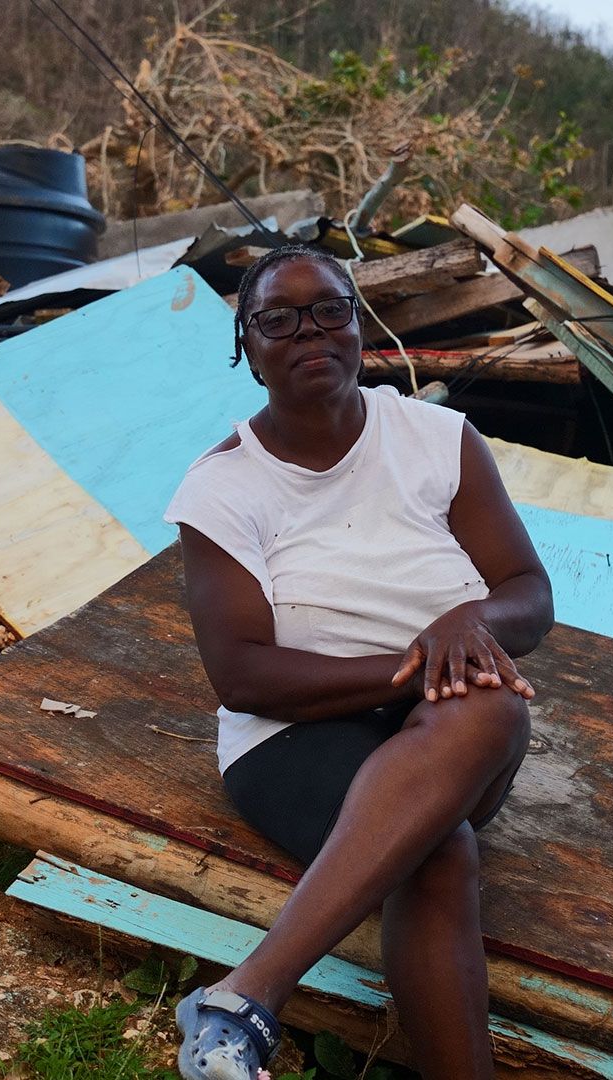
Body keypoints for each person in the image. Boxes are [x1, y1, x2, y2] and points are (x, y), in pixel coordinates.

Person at [164, 244, 555, 1080]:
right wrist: (420, 660)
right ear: (248, 346)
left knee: (492, 704)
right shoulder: (221, 489)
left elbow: (528, 591)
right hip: (292, 736)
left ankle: (242, 997)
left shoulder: (439, 439)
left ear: (358, 325)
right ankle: (257, 1000)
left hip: (443, 728)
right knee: (440, 852)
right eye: (277, 319)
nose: (309, 331)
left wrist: (468, 619)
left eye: (330, 310)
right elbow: (242, 677)